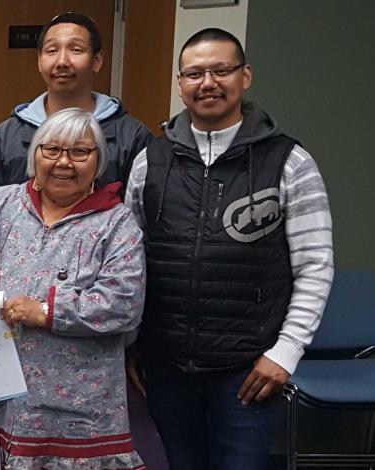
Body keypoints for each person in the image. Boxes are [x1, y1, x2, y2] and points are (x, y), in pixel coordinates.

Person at [126, 28, 333, 469]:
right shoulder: (151, 162)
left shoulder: (289, 162)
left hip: (249, 368)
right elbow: (129, 263)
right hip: (165, 365)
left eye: (221, 70)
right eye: (195, 73)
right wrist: (129, 344)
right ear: (180, 82)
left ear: (246, 76)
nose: (208, 83)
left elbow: (315, 266)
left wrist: (285, 352)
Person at [0, 107, 146, 469]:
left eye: (80, 152)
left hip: (82, 406)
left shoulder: (116, 223)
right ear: (35, 156)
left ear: (98, 162)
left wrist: (46, 311)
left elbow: (123, 304)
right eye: (52, 150)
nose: (64, 162)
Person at [0, 12, 152, 188]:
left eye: (76, 50)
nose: (62, 62)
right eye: (52, 50)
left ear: (97, 61)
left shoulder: (132, 136)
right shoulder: (6, 137)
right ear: (39, 61)